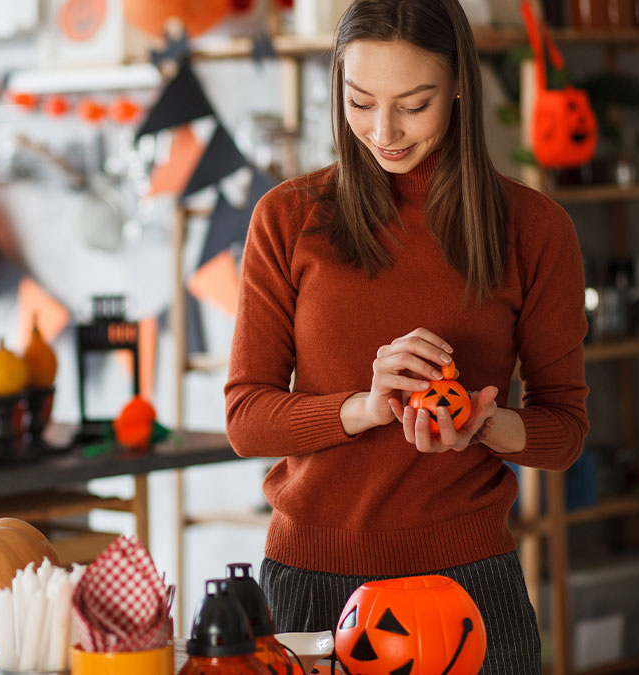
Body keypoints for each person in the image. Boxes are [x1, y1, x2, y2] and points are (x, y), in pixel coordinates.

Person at [223, 0, 588, 671]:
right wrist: (364, 406)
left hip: (473, 587)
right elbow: (246, 418)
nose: (383, 130)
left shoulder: (536, 228)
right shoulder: (287, 218)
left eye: (413, 104)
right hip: (309, 591)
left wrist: (486, 424)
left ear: (457, 84)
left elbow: (563, 430)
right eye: (360, 101)